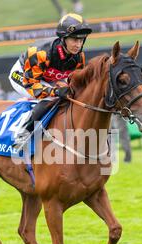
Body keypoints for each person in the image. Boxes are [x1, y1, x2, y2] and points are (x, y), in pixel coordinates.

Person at [8, 13, 92, 148]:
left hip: (50, 78)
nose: (78, 44)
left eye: (81, 40)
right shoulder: (40, 53)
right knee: (48, 99)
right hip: (23, 76)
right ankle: (22, 134)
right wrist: (55, 91)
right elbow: (32, 85)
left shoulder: (79, 57)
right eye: (74, 40)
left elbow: (75, 83)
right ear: (63, 38)